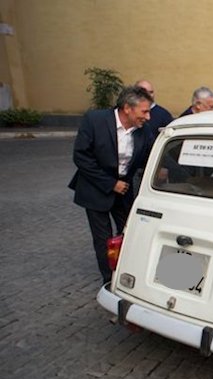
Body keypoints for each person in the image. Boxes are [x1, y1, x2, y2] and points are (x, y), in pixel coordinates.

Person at [68, 86, 155, 285]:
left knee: (129, 231)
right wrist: (110, 184)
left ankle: (130, 272)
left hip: (123, 190)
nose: (148, 117)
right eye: (145, 111)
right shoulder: (95, 120)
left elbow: (150, 157)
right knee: (103, 238)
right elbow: (81, 157)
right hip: (95, 189)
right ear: (127, 108)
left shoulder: (144, 130)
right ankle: (110, 280)